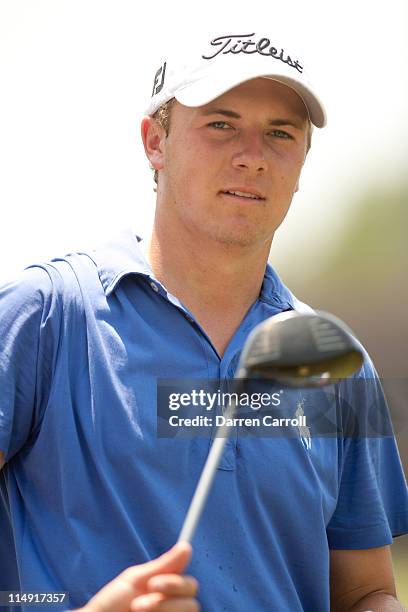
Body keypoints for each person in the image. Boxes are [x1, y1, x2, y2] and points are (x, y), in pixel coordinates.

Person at [1, 30, 407, 612]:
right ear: (154, 142)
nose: (252, 155)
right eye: (221, 124)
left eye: (280, 133)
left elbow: (365, 592)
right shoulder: (40, 318)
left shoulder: (334, 364)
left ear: (302, 162)